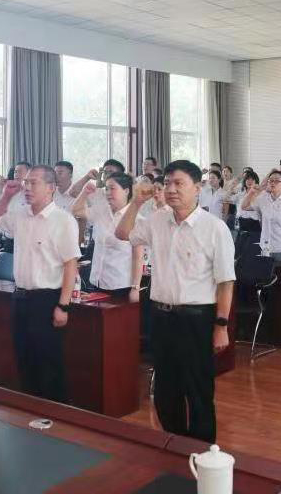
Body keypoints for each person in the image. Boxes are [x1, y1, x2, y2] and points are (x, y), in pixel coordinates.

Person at [115, 160, 235, 443]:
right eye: (167, 183)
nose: (171, 189)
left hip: (197, 319)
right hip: (161, 316)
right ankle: (175, 447)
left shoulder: (214, 228)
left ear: (197, 188)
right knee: (166, 391)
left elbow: (225, 282)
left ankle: (201, 453)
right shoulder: (157, 220)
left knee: (198, 390)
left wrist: (221, 325)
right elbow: (122, 233)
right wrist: (136, 203)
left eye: (179, 183)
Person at [0, 166, 79, 404]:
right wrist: (6, 196)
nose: (27, 188)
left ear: (51, 188)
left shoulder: (63, 220)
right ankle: (31, 412)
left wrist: (64, 306)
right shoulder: (20, 214)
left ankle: (55, 416)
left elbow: (71, 264)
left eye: (34, 183)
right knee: (24, 358)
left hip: (47, 299)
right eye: (26, 183)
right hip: (20, 297)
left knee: (48, 362)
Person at [72, 172, 145, 298]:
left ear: (126, 191)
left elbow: (138, 257)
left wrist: (135, 288)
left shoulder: (136, 219)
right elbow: (76, 211)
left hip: (120, 285)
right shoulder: (101, 212)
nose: (108, 193)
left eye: (112, 188)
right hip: (96, 282)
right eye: (106, 189)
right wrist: (85, 192)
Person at [241, 170, 281, 265]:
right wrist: (251, 191)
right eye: (271, 180)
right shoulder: (262, 199)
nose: (273, 183)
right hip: (265, 248)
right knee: (264, 274)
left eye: (277, 181)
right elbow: (244, 206)